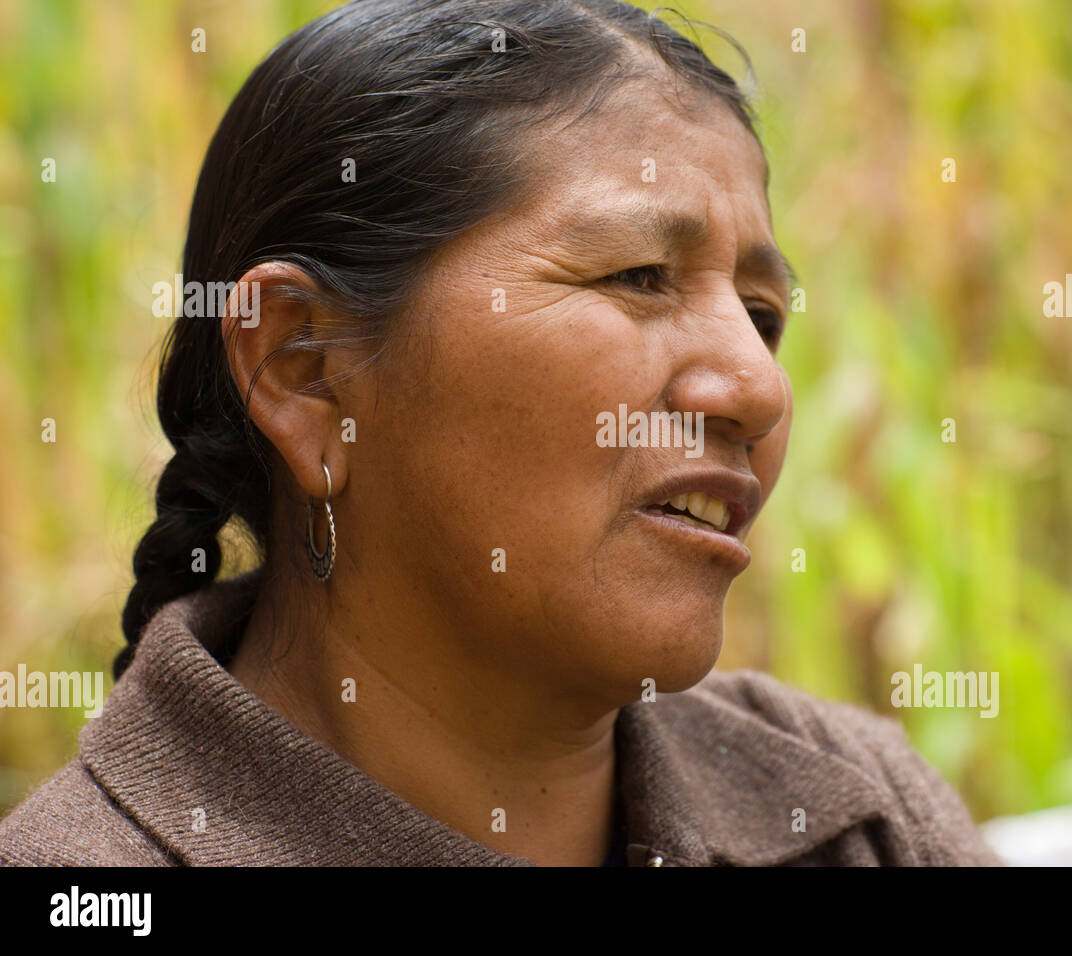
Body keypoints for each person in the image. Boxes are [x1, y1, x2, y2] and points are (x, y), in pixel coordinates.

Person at [0, 0, 1001, 867]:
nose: (758, 386)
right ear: (305, 368)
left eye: (764, 316)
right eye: (637, 276)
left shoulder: (856, 810)